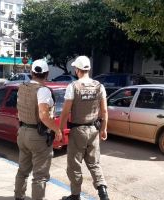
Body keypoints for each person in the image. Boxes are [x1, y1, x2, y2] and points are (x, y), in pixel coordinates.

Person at [60, 56, 110, 200]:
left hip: (78, 131)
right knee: (94, 163)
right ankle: (103, 194)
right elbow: (105, 111)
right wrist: (104, 129)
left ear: (77, 70)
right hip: (94, 130)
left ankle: (75, 196)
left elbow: (65, 112)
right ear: (88, 69)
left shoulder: (73, 86)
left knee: (74, 165)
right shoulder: (100, 86)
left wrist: (59, 129)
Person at [14, 59, 62, 200]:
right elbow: (43, 116)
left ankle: (19, 196)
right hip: (37, 135)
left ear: (31, 73)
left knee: (23, 170)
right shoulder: (43, 91)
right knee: (39, 176)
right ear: (46, 74)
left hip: (22, 132)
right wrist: (57, 130)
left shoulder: (21, 87)